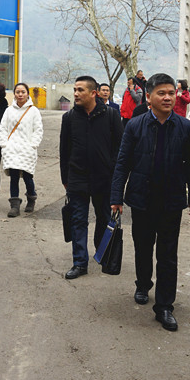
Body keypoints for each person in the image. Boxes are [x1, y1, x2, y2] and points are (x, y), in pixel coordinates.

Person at [111, 73, 190, 331]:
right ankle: (142, 284)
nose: (168, 97)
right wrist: (116, 197)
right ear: (149, 97)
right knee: (142, 246)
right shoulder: (135, 125)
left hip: (171, 200)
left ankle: (164, 306)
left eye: (171, 93)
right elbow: (123, 163)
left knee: (168, 254)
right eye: (161, 93)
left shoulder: (184, 127)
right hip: (141, 198)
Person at [59, 75, 123, 280]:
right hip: (77, 178)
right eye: (75, 90)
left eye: (80, 90)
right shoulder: (69, 118)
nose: (76, 94)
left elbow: (119, 148)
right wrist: (65, 178)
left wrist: (114, 175)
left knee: (104, 218)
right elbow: (64, 151)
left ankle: (102, 254)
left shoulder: (111, 115)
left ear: (93, 93)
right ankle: (79, 263)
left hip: (104, 179)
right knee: (78, 220)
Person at [0, 82, 43, 217]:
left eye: (23, 92)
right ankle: (14, 206)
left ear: (27, 94)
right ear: (14, 94)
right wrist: (4, 144)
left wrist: (33, 145)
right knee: (14, 177)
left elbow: (38, 130)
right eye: (17, 92)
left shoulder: (33, 111)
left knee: (28, 177)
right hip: (11, 149)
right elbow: (3, 128)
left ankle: (31, 198)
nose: (20, 94)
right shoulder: (9, 110)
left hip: (27, 149)